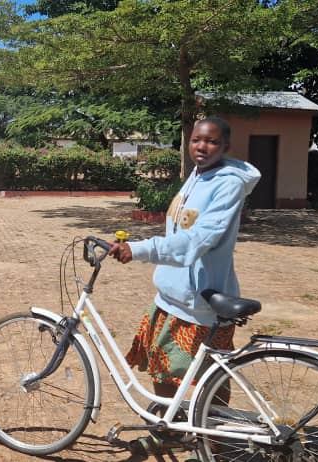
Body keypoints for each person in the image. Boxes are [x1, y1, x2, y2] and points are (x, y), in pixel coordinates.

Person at [108, 117, 260, 454]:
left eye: (211, 142)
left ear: (225, 146)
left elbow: (198, 240)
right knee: (162, 373)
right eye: (196, 140)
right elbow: (178, 230)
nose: (201, 148)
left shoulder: (228, 184)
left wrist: (142, 249)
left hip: (202, 304)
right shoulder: (197, 174)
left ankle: (212, 448)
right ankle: (169, 433)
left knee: (211, 384)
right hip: (170, 297)